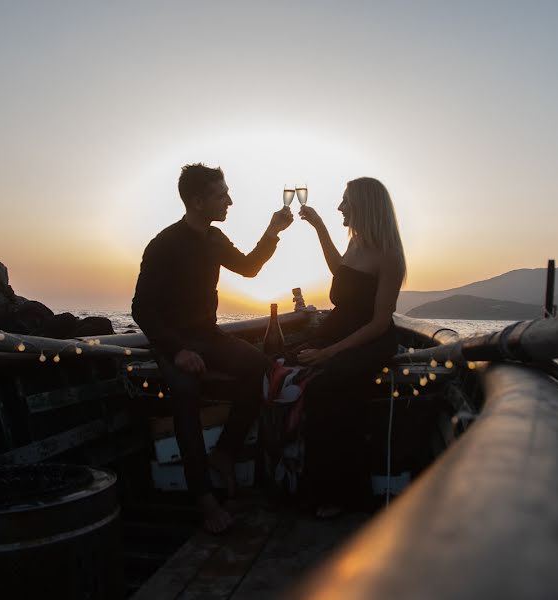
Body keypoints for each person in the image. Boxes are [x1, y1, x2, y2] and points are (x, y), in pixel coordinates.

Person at [132, 163, 293, 533]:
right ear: (197, 200)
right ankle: (205, 500)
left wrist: (272, 230)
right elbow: (141, 308)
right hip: (174, 342)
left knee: (261, 367)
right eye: (222, 195)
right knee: (185, 393)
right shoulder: (163, 245)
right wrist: (176, 351)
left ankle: (225, 452)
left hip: (208, 336)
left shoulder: (215, 239)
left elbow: (249, 268)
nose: (230, 201)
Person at [296, 177, 406, 518]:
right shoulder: (356, 244)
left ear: (364, 206)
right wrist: (318, 227)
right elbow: (338, 271)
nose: (340, 207)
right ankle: (309, 484)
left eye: (345, 202)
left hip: (369, 340)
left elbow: (378, 323)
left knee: (325, 389)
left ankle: (342, 496)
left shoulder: (389, 257)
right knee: (286, 367)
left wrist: (329, 353)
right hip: (339, 334)